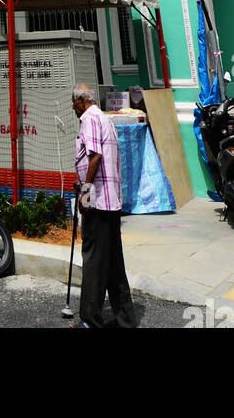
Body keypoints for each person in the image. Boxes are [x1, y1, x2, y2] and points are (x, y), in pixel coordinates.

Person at [72, 83, 137, 329]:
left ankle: (90, 320)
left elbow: (95, 157)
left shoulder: (89, 119)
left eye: (74, 103)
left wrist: (85, 195)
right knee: (113, 264)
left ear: (81, 101)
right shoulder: (105, 119)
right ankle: (126, 319)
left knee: (94, 261)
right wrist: (80, 181)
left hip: (97, 204)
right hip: (111, 201)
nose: (73, 108)